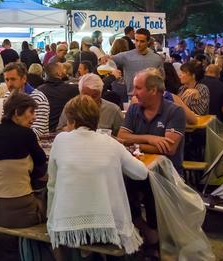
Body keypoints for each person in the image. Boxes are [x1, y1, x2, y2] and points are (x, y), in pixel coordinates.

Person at [47, 95, 148, 256]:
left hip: (67, 227)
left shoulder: (60, 141)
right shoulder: (111, 143)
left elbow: (52, 184)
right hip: (108, 228)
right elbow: (141, 173)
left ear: (71, 121)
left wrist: (51, 220)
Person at [0, 92, 47, 228]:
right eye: (31, 112)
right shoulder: (27, 134)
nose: (34, 117)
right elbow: (42, 160)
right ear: (17, 112)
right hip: (20, 212)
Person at [117, 69, 186, 173]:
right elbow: (122, 136)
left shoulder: (175, 111)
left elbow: (169, 148)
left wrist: (133, 145)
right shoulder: (133, 109)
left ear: (153, 90)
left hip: (166, 176)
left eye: (138, 88)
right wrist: (150, 139)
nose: (134, 93)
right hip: (137, 172)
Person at [57, 73, 123, 135]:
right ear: (80, 92)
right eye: (86, 95)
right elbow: (59, 131)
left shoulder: (113, 110)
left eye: (94, 96)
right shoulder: (71, 107)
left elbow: (121, 135)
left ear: (101, 93)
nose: (90, 99)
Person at [111, 28, 164, 102]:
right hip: (132, 98)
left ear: (148, 41)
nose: (138, 44)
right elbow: (108, 61)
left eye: (142, 41)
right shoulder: (126, 56)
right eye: (136, 40)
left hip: (151, 99)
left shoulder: (157, 59)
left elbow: (161, 80)